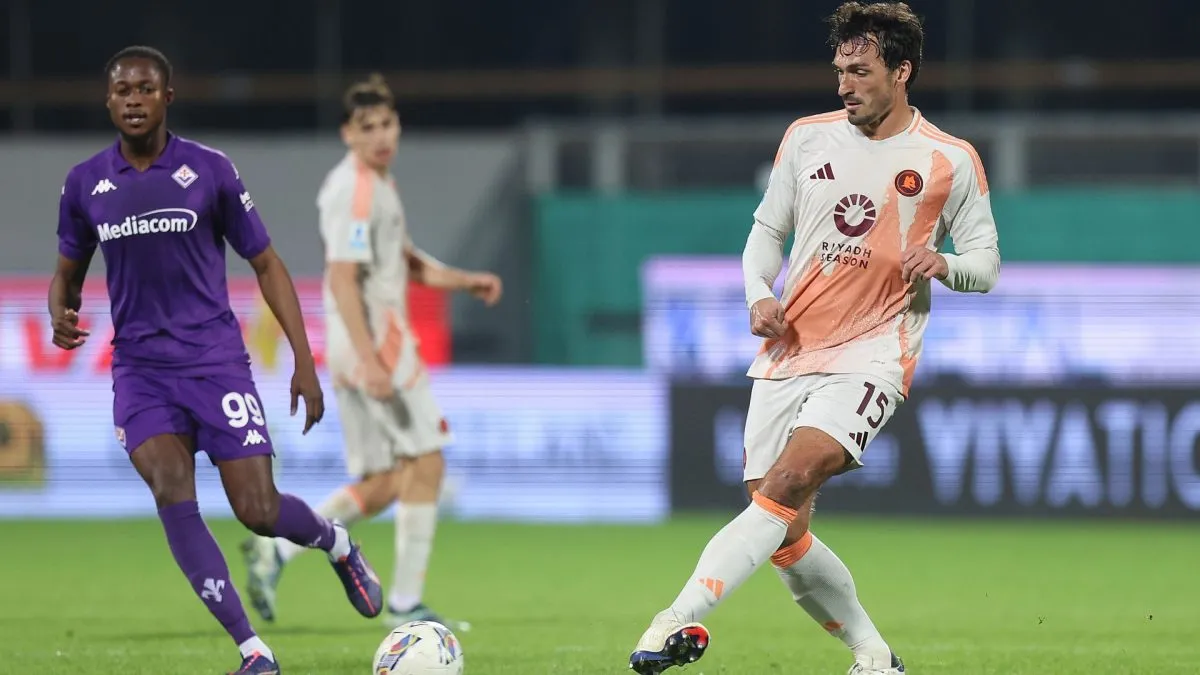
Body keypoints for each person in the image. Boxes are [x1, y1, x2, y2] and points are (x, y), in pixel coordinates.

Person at [628, 3, 1001, 674]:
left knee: (794, 476)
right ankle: (874, 654)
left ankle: (673, 618)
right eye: (839, 71)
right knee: (783, 528)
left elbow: (986, 264)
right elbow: (767, 232)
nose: (844, 85)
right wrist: (758, 293)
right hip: (789, 350)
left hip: (875, 353)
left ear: (902, 71)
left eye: (860, 72)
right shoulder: (806, 139)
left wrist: (946, 265)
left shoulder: (949, 159)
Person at [49, 46, 385, 675]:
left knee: (257, 510)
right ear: (108, 101)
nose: (133, 100)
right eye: (122, 90)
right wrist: (59, 313)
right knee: (170, 488)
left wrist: (303, 360)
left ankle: (337, 543)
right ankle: (253, 650)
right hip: (141, 373)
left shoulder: (209, 170)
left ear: (167, 97)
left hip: (215, 363)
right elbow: (66, 274)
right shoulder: (84, 183)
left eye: (145, 89)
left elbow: (267, 264)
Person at [241, 74, 501, 632]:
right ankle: (405, 604)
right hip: (376, 345)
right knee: (427, 462)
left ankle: (275, 551)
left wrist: (464, 281)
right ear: (348, 134)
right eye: (368, 127)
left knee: (383, 481)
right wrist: (373, 361)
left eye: (387, 123)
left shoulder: (376, 184)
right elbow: (342, 279)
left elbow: (402, 260)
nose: (381, 136)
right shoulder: (355, 190)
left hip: (355, 348)